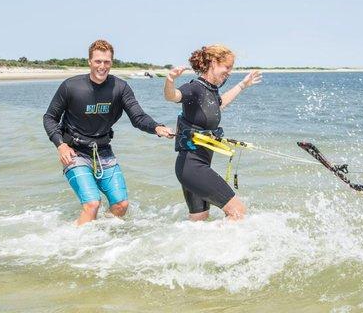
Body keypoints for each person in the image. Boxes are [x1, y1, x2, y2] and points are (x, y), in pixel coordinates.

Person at [43, 39, 174, 225]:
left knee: (121, 204)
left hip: (103, 151)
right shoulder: (71, 86)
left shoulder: (120, 88)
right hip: (75, 151)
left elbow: (138, 117)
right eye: (98, 61)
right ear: (89, 61)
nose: (102, 66)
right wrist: (60, 145)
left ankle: (100, 238)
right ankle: (74, 244)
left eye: (106, 62)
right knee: (92, 204)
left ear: (111, 62)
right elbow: (49, 117)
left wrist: (157, 128)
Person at [163, 44, 262, 221]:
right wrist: (170, 80)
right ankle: (228, 248)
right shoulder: (194, 88)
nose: (229, 72)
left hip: (193, 166)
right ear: (214, 63)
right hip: (192, 167)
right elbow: (172, 96)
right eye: (227, 67)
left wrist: (243, 85)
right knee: (237, 211)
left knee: (199, 221)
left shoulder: (210, 90)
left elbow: (220, 104)